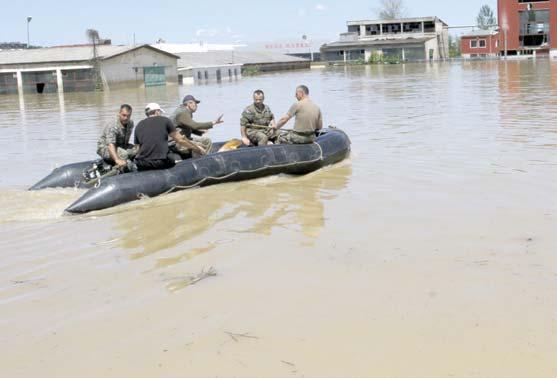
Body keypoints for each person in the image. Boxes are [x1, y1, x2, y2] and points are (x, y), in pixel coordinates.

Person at [134, 103, 205, 171]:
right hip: (160, 162)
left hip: (142, 163)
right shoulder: (165, 120)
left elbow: (137, 149)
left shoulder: (138, 125)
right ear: (157, 112)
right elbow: (180, 140)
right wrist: (196, 148)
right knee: (174, 158)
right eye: (160, 112)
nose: (160, 114)